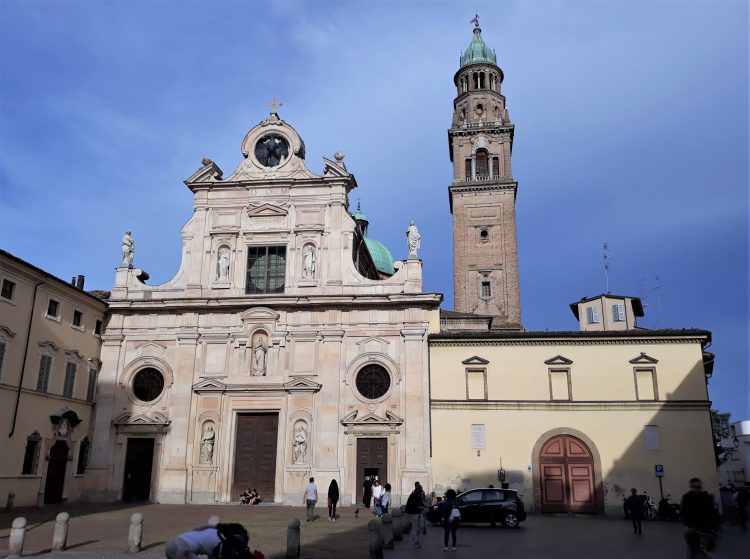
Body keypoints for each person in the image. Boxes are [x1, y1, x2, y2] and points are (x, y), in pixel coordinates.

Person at [165, 523, 262, 559]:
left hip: (172, 544)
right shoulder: (225, 542)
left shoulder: (214, 530)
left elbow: (198, 529)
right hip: (182, 550)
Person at [680, 477, 719, 558]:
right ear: (691, 486)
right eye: (695, 487)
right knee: (692, 550)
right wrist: (686, 525)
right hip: (692, 528)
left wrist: (715, 526)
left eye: (699, 487)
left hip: (705, 527)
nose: (697, 489)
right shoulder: (687, 497)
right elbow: (684, 512)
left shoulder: (705, 496)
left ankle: (705, 553)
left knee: (707, 549)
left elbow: (712, 511)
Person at [405, 482, 426, 548]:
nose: (421, 491)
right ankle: (416, 542)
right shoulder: (413, 496)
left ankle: (414, 537)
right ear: (417, 490)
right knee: (415, 528)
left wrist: (424, 505)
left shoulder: (419, 494)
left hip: (419, 512)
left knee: (422, 526)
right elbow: (413, 505)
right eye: (420, 490)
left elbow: (421, 502)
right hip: (414, 513)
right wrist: (420, 507)